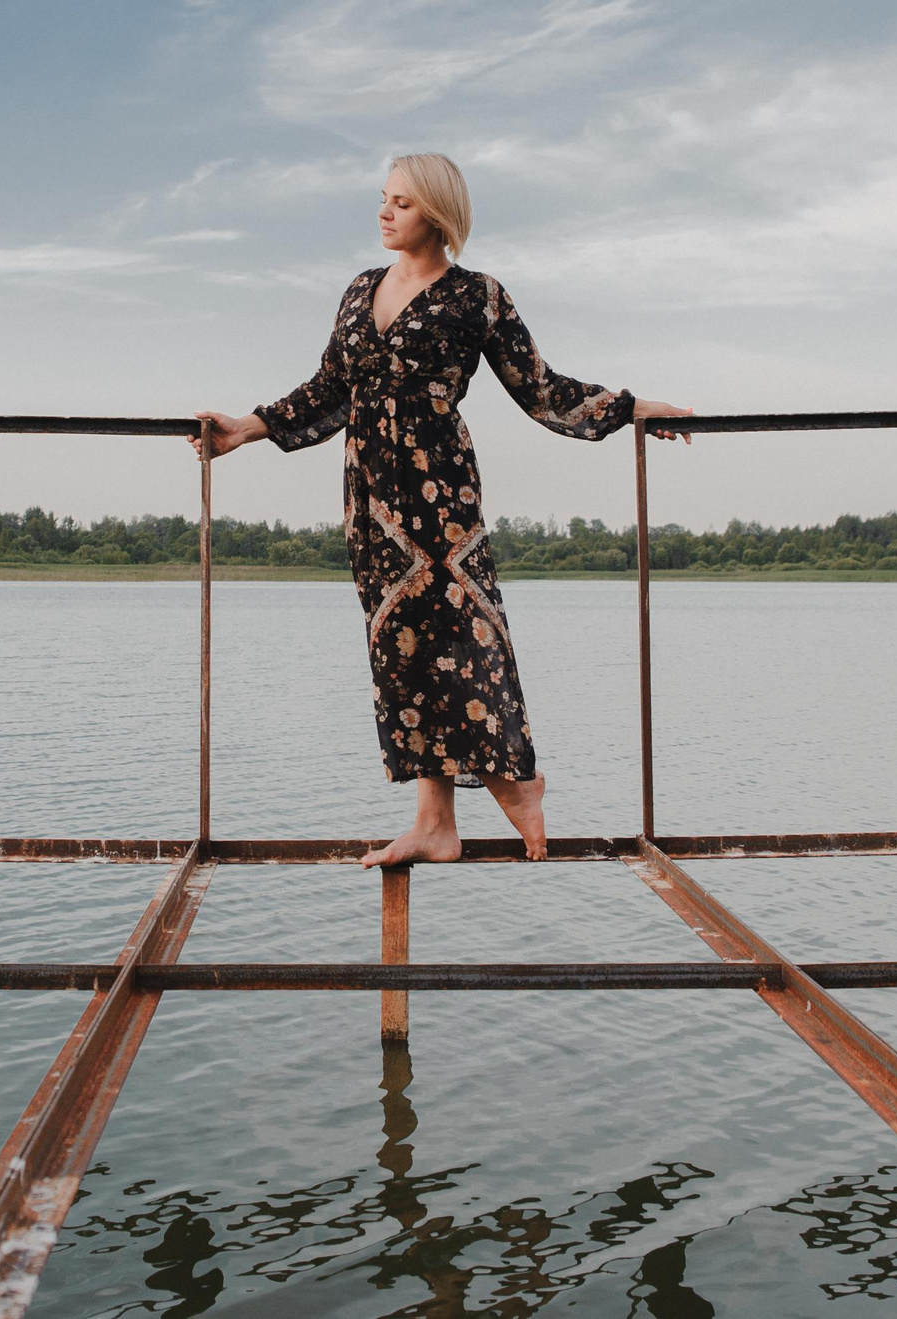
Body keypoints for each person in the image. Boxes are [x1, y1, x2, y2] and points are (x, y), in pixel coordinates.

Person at [193, 153, 692, 866]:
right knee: (400, 646)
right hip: (372, 501)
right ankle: (434, 823)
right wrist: (245, 428)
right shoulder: (360, 289)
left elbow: (542, 389)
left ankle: (515, 778)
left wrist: (637, 409)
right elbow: (329, 388)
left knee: (466, 635)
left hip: (441, 494)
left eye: (401, 202)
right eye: (383, 198)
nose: (384, 212)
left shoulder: (478, 296)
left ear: (437, 212)